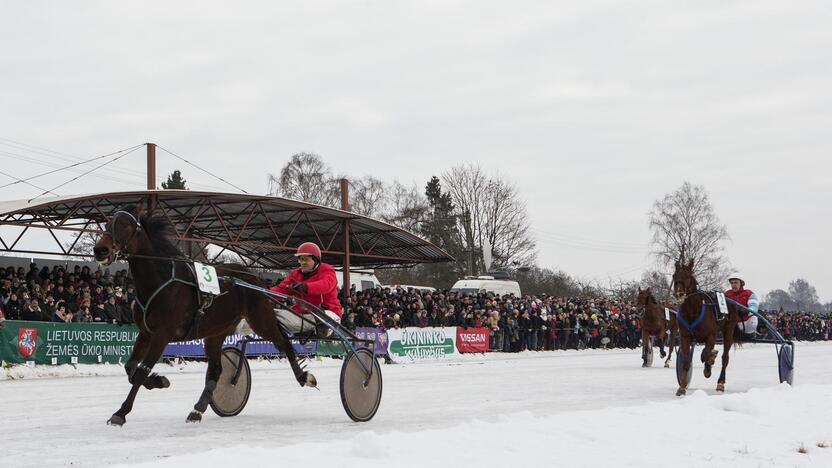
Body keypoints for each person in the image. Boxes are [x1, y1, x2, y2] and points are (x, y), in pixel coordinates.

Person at [269, 242, 341, 337]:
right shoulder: (295, 274)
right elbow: (280, 289)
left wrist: (305, 287)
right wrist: (265, 293)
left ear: (316, 259)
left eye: (306, 259)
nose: (303, 263)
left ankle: (320, 331)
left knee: (319, 316)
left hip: (327, 313)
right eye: (300, 259)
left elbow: (325, 285)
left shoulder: (326, 270)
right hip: (302, 314)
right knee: (270, 314)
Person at [725, 272, 760, 337]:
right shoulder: (726, 294)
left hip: (747, 324)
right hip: (733, 325)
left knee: (757, 314)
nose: (733, 285)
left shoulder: (749, 293)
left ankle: (759, 332)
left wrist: (747, 311)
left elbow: (754, 306)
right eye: (732, 283)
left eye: (736, 282)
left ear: (741, 284)